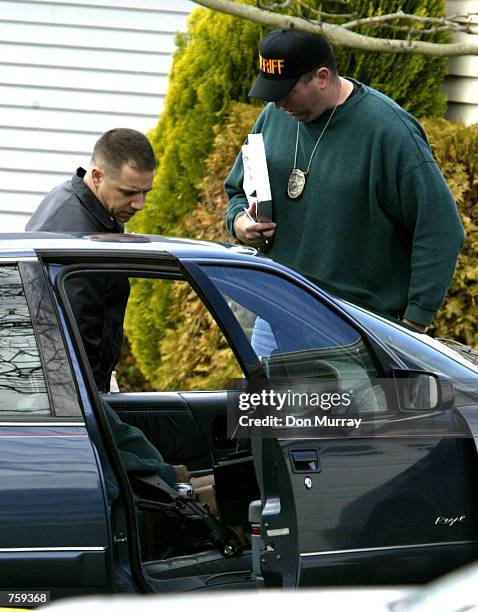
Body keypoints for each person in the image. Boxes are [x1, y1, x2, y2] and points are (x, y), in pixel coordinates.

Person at [225, 29, 464, 333]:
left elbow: (440, 229)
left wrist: (412, 325)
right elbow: (237, 191)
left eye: (287, 92)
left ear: (322, 77)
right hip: (277, 320)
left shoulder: (389, 131)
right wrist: (239, 224)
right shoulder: (274, 116)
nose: (279, 103)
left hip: (358, 331)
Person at [26, 127, 157, 392]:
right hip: (70, 393)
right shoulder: (76, 236)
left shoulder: (89, 209)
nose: (139, 204)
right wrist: (94, 402)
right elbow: (78, 340)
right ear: (97, 176)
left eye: (146, 193)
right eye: (128, 192)